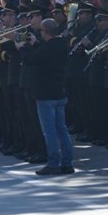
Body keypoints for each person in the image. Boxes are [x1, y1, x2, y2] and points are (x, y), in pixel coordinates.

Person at [21, 18, 75, 175]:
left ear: (46, 32)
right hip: (59, 91)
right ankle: (67, 163)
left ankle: (53, 163)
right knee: (62, 129)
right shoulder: (61, 45)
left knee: (49, 131)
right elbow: (44, 53)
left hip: (46, 94)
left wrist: (22, 48)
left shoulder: (47, 49)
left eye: (42, 31)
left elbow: (30, 60)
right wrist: (36, 43)